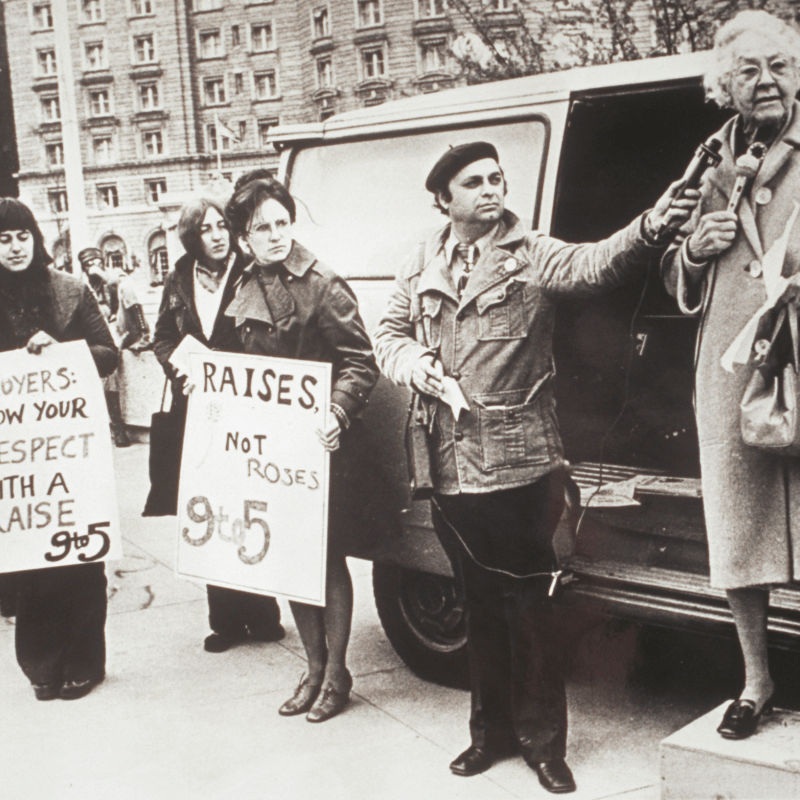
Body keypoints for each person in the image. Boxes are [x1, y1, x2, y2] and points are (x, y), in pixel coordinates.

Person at [374, 142, 696, 793]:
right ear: (445, 198)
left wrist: (655, 223)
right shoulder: (420, 259)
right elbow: (388, 332)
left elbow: (596, 264)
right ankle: (488, 735)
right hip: (448, 464)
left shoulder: (530, 251)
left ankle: (545, 744)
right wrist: (416, 366)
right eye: (475, 182)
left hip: (522, 465)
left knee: (533, 609)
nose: (492, 190)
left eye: (497, 178)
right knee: (478, 604)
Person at [662, 11, 800, 741]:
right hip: (731, 364)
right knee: (739, 526)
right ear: (726, 84)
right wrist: (693, 249)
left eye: (779, 65)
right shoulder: (707, 160)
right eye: (748, 70)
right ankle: (755, 681)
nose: (766, 81)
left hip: (799, 353)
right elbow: (670, 273)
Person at [224, 177, 380, 722]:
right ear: (243, 238)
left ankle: (337, 672)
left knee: (327, 556)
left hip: (323, 445)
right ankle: (312, 667)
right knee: (291, 558)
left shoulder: (324, 283)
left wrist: (337, 410)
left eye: (281, 223)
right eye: (261, 228)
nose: (275, 236)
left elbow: (362, 361)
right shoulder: (243, 283)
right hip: (271, 449)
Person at [152, 194, 286, 653]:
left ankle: (263, 612)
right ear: (192, 235)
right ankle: (225, 621)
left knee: (251, 506)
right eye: (206, 229)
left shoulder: (251, 270)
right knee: (211, 511)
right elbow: (163, 337)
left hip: (247, 408)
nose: (215, 236)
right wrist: (182, 371)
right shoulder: (178, 277)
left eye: (221, 227)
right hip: (198, 410)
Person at [0, 198, 118, 700]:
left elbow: (109, 354)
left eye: (21, 236)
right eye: (3, 239)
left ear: (35, 237)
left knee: (81, 558)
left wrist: (64, 352)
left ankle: (84, 662)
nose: (14, 247)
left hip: (74, 448)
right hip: (19, 458)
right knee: (30, 562)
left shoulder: (70, 288)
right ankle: (42, 666)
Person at [77, 247, 151, 447]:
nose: (93, 267)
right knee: (108, 366)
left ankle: (146, 334)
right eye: (88, 264)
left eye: (96, 262)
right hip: (104, 337)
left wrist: (100, 272)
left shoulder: (114, 276)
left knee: (125, 287)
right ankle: (117, 426)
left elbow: (119, 283)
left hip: (126, 329)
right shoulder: (83, 287)